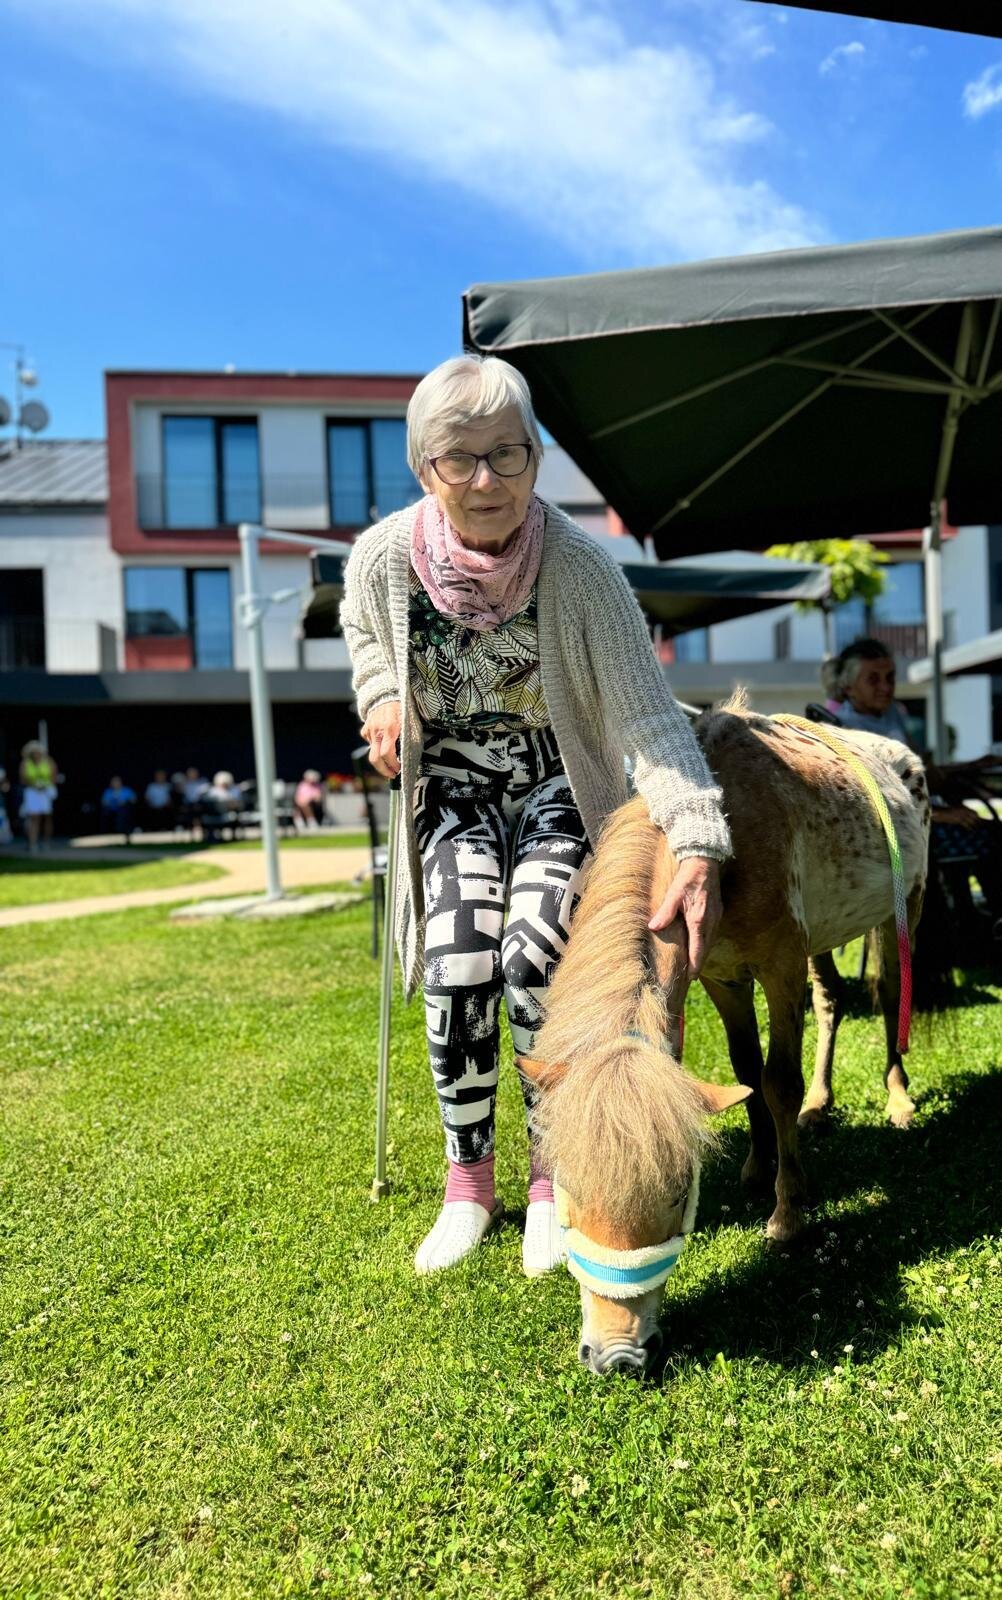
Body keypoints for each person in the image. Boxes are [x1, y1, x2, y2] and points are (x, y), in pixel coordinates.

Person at [341, 354, 731, 1278]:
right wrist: (382, 696)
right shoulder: (383, 559)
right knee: (459, 962)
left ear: (536, 457)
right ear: (424, 467)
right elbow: (365, 638)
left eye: (506, 454)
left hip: (561, 784)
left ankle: (552, 1177)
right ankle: (469, 1184)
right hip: (454, 788)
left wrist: (697, 836)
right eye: (458, 458)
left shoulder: (583, 570)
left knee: (533, 960)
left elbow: (647, 718)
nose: (485, 481)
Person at [832, 637, 1002, 916]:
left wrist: (969, 766)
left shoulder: (891, 713)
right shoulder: (846, 729)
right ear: (848, 687)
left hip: (922, 819)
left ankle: (975, 917)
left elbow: (921, 769)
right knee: (990, 837)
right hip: (896, 835)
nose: (885, 687)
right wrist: (943, 815)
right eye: (873, 679)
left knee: (987, 832)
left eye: (890, 677)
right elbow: (874, 801)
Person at [19, 741, 59, 853]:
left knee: (47, 817)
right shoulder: (26, 763)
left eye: (38, 752)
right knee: (34, 818)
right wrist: (34, 785)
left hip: (46, 791)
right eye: (34, 752)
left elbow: (54, 776)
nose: (36, 754)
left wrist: (46, 786)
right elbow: (23, 779)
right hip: (32, 792)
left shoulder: (48, 761)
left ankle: (46, 842)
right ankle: (33, 843)